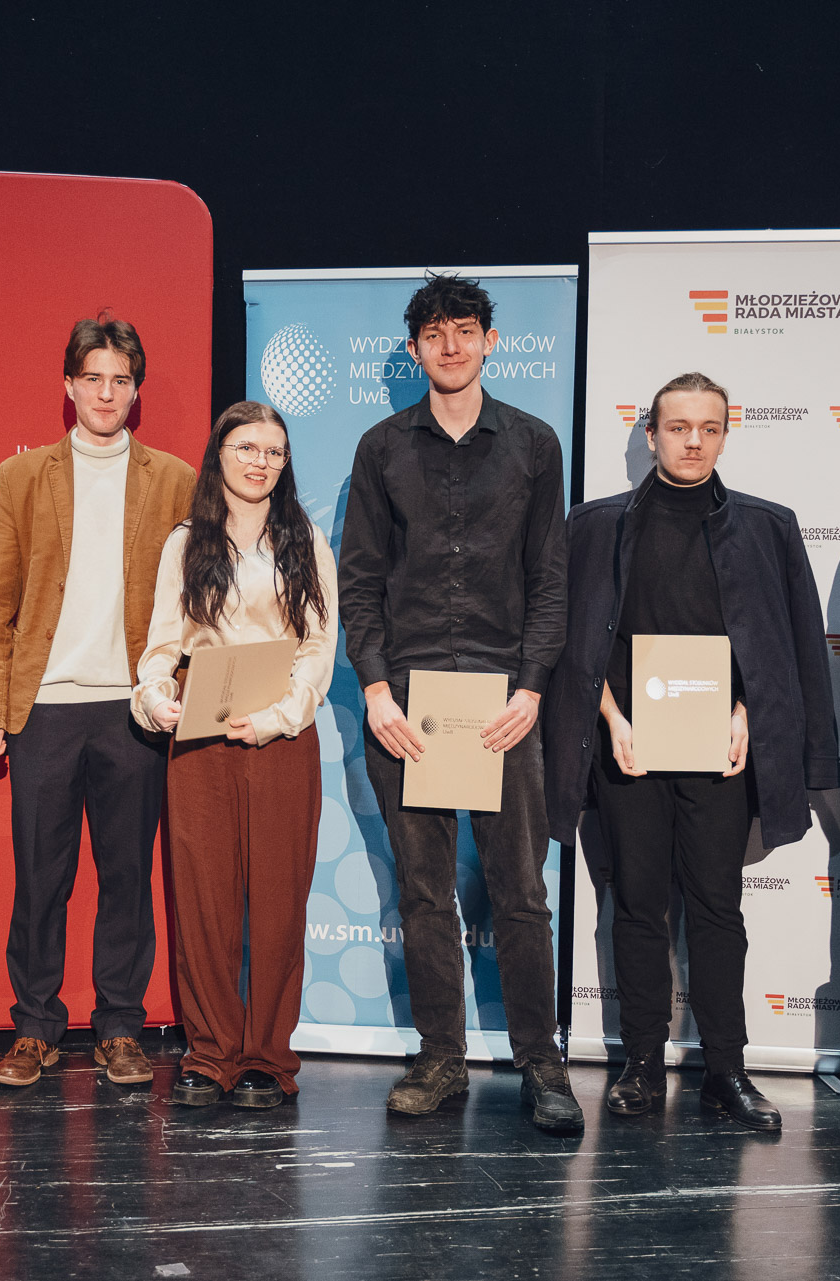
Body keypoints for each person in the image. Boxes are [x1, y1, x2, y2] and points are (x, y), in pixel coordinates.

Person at [541, 371, 840, 1131]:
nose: (694, 442)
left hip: (720, 751)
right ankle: (642, 1065)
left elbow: (787, 647)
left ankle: (725, 1071)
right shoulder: (594, 526)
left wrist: (748, 715)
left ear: (725, 435)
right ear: (651, 435)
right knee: (638, 905)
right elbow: (570, 644)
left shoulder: (769, 527)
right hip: (629, 748)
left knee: (716, 908)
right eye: (678, 428)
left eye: (709, 428)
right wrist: (611, 720)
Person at [338, 273, 581, 1133]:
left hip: (502, 701)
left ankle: (541, 1061)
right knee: (423, 892)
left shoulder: (534, 444)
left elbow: (550, 578)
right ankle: (440, 1056)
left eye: (465, 329)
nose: (451, 345)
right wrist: (374, 688)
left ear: (489, 341)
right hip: (407, 701)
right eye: (435, 333)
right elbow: (359, 579)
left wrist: (533, 687)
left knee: (520, 891)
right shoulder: (380, 448)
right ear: (415, 350)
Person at [0, 313, 196, 1087]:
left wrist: (178, 690)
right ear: (68, 385)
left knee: (128, 876)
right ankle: (35, 1027)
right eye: (92, 377)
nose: (105, 392)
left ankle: (120, 1026)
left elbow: (194, 602)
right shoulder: (23, 476)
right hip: (44, 708)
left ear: (136, 390)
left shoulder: (175, 479)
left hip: (134, 708)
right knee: (41, 878)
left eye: (120, 380)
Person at [131, 401, 337, 1108]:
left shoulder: (305, 538)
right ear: (218, 453)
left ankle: (267, 1059)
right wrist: (155, 697)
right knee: (204, 900)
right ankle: (210, 1052)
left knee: (278, 899)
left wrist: (279, 717)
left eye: (274, 451)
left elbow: (318, 646)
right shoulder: (187, 541)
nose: (260, 461)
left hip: (282, 736)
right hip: (202, 733)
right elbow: (163, 644)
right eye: (246, 447)